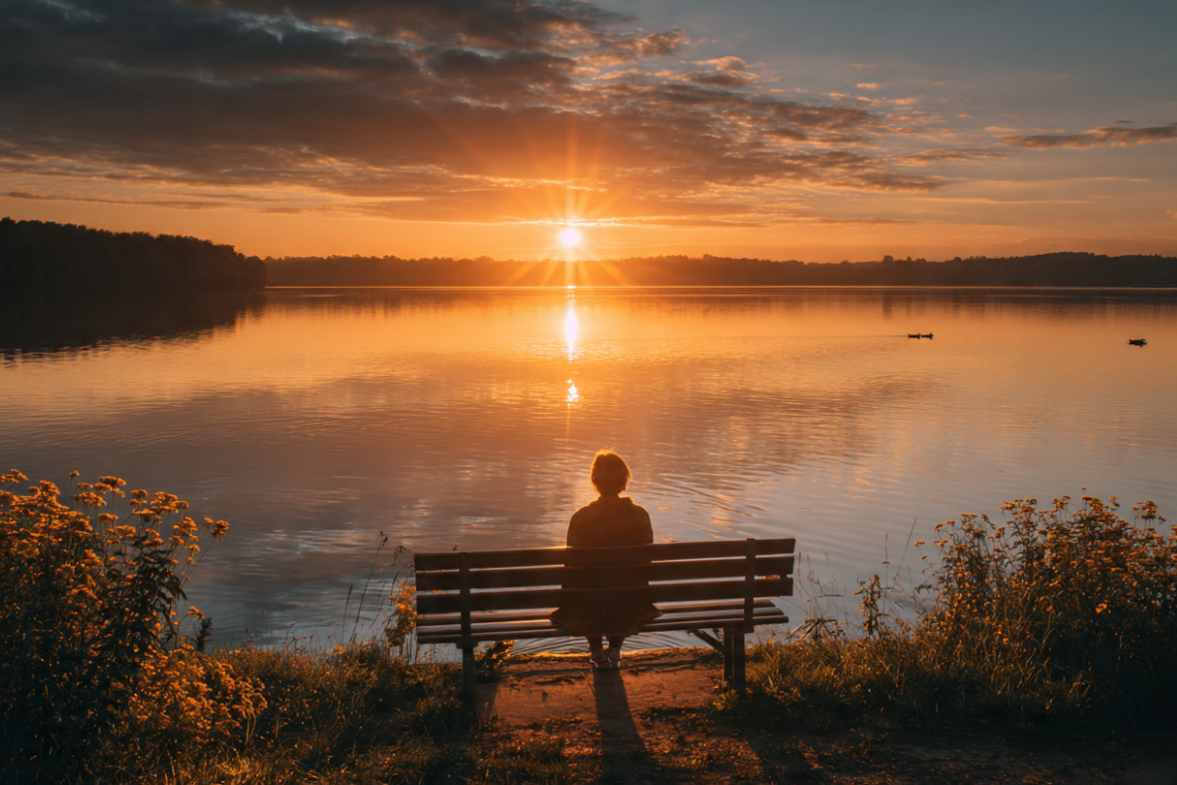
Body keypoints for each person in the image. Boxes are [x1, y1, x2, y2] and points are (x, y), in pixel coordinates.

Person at [550, 450, 661, 668]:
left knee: (590, 591)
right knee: (622, 587)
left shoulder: (580, 518)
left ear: (594, 481)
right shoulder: (640, 515)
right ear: (624, 481)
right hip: (630, 602)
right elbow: (646, 563)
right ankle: (616, 649)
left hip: (589, 602)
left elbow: (570, 566)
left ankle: (595, 649)